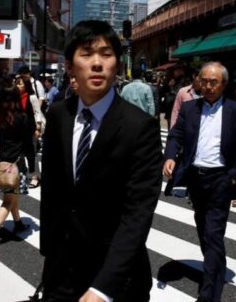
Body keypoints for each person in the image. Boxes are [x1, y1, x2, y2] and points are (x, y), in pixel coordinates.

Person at [40, 20, 163, 301]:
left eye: (106, 55)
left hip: (116, 279)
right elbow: (53, 190)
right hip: (61, 273)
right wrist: (49, 251)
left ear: (117, 64)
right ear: (70, 66)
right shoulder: (59, 115)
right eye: (86, 54)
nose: (97, 64)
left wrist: (103, 287)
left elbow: (138, 213)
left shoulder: (139, 126)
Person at [163, 62, 236, 302]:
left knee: (214, 234)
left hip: (221, 178)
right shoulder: (190, 108)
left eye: (213, 82)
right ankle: (215, 270)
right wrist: (170, 157)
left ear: (223, 84)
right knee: (204, 231)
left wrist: (234, 174)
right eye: (203, 81)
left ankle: (209, 294)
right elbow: (176, 134)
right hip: (196, 177)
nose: (208, 86)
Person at [0, 85, 36, 247]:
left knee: (13, 195)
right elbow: (28, 145)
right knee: (8, 199)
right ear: (16, 99)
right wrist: (32, 167)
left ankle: (18, 223)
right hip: (15, 164)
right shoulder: (22, 118)